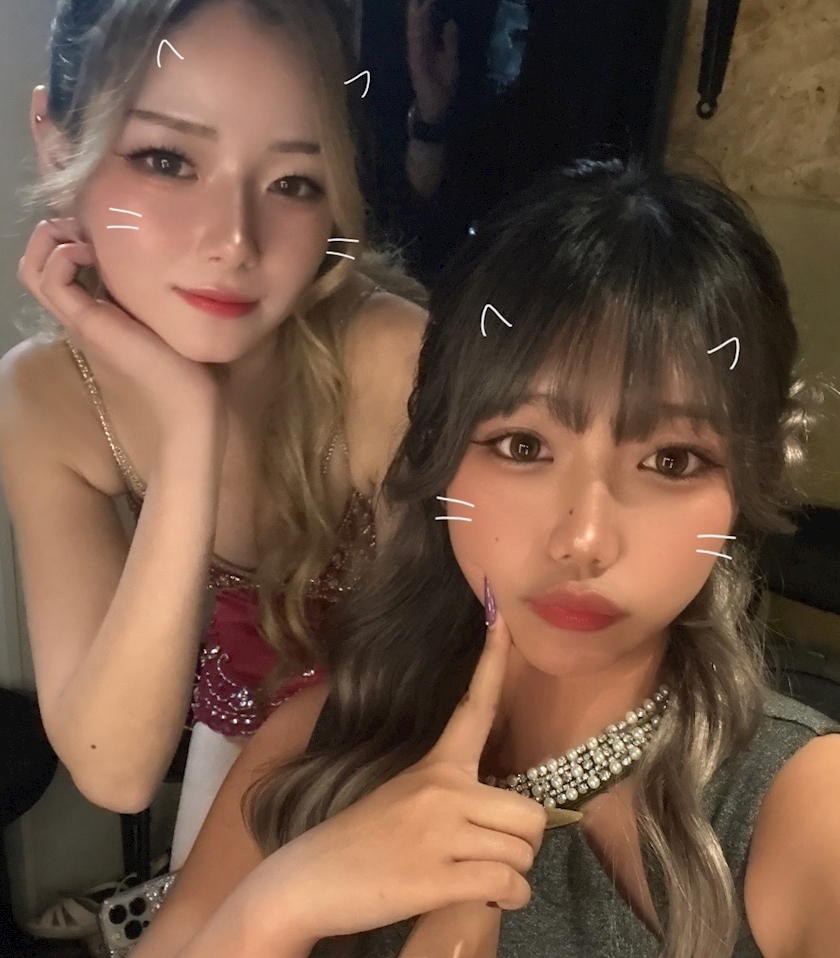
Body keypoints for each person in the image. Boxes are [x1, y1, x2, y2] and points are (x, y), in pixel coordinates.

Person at [133, 159, 840, 958]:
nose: (584, 539)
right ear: (439, 453)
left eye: (671, 461)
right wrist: (278, 907)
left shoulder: (799, 806)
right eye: (524, 446)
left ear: (748, 482)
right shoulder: (314, 741)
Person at [0, 0, 427, 871]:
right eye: (167, 160)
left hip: (413, 752)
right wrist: (189, 426)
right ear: (57, 143)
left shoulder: (394, 361)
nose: (235, 241)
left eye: (294, 182)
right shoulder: (45, 397)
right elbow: (115, 769)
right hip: (242, 742)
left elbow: (440, 688)